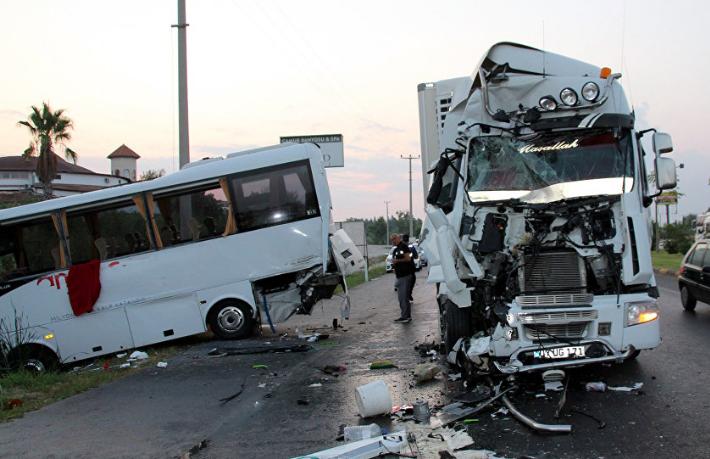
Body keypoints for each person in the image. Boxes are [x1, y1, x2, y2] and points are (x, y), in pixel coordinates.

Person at [390, 233, 414, 323]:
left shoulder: (404, 246)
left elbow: (408, 258)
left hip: (405, 275)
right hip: (399, 276)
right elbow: (395, 261)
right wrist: (394, 267)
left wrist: (397, 260)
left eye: (394, 238)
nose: (393, 241)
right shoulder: (396, 249)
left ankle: (406, 316)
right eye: (391, 239)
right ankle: (404, 315)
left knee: (404, 298)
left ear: (399, 238)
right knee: (401, 298)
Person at [402, 234, 418, 302]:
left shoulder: (400, 247)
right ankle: (408, 294)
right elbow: (416, 256)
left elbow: (415, 256)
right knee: (411, 280)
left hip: (405, 268)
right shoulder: (411, 247)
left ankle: (407, 294)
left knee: (407, 281)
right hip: (409, 268)